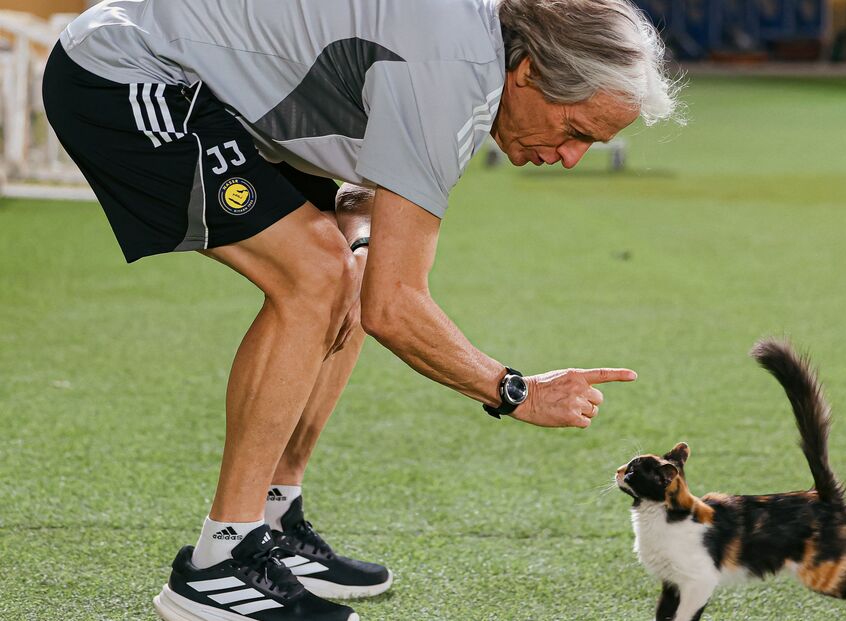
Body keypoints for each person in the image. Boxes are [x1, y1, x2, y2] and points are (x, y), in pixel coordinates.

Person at [43, 0, 680, 619]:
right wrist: (514, 391)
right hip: (126, 69)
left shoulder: (471, 56)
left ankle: (271, 513)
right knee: (316, 277)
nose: (570, 159)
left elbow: (366, 191)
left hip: (220, 92)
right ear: (529, 73)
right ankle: (219, 565)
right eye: (574, 132)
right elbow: (395, 309)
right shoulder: (453, 76)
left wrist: (362, 239)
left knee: (345, 266)